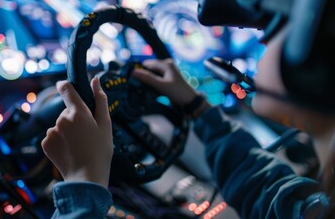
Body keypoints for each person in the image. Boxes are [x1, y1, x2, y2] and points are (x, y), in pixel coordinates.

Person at [41, 26, 335, 218]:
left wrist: (83, 184)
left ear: (311, 71)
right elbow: (268, 193)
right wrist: (195, 105)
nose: (263, 40)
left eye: (273, 29)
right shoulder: (318, 206)